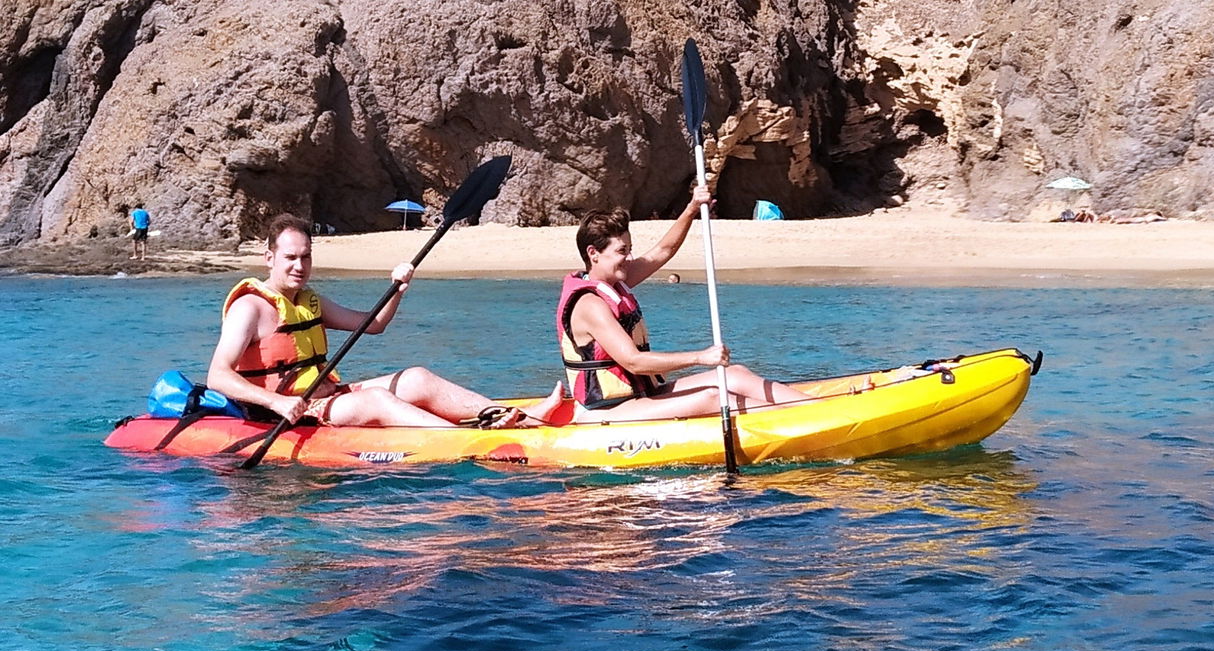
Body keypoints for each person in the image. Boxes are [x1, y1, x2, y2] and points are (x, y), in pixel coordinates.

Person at [208, 214, 563, 428]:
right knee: (377, 399)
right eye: (289, 258)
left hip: (325, 398)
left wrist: (397, 289)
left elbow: (373, 323)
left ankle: (516, 416)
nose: (299, 266)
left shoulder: (308, 300)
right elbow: (218, 375)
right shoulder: (250, 308)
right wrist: (278, 403)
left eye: (306, 257)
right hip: (283, 413)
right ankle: (467, 439)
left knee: (417, 379)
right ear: (269, 258)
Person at [555, 186, 812, 422]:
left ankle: (818, 411)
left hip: (642, 396)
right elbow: (634, 362)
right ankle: (803, 425)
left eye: (630, 249)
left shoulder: (616, 280)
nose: (629, 257)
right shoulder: (590, 304)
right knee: (712, 397)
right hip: (607, 410)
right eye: (622, 251)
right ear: (593, 253)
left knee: (736, 375)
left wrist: (691, 209)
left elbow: (663, 250)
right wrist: (700, 357)